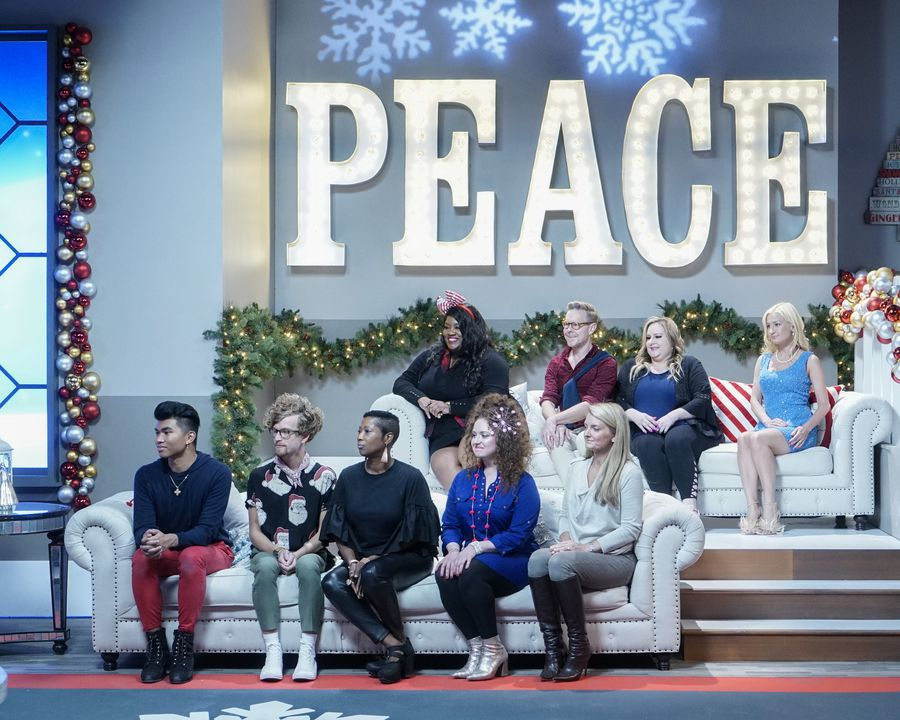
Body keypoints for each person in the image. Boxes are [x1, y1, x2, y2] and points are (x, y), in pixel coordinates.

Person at [320, 410, 440, 684]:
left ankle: (396, 657)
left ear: (387, 438)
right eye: (358, 431)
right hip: (363, 561)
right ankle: (396, 646)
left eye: (367, 431)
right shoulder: (349, 477)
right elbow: (339, 529)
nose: (359, 437)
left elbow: (417, 536)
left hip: (409, 557)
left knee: (373, 573)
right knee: (332, 582)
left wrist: (371, 560)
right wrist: (352, 562)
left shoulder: (410, 478)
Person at [528, 403, 643, 682]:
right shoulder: (577, 467)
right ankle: (554, 649)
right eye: (586, 427)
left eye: (595, 428)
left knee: (561, 563)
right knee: (537, 560)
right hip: (577, 556)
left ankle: (579, 649)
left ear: (614, 435)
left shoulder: (629, 472)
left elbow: (631, 529)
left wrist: (586, 547)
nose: (586, 433)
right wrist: (567, 541)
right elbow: (565, 516)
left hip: (615, 560)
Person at [435, 393, 540, 681]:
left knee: (471, 572)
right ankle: (477, 649)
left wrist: (475, 549)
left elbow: (518, 535)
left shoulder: (522, 482)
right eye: (474, 434)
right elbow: (450, 524)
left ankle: (494, 650)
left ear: (503, 439)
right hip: (473, 557)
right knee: (444, 572)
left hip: (514, 559)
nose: (476, 441)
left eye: (485, 435)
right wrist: (453, 551)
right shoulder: (463, 479)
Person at [132, 401, 235, 684]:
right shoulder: (146, 475)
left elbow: (207, 530)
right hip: (168, 550)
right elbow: (141, 525)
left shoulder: (217, 473)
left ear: (189, 437)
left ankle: (183, 646)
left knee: (191, 556)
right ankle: (156, 647)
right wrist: (148, 538)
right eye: (157, 432)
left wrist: (172, 539)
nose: (159, 439)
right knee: (141, 558)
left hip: (212, 548)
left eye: (167, 432)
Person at [246, 394, 337, 682]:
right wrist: (277, 551)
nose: (277, 437)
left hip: (310, 550)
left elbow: (324, 533)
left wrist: (298, 554)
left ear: (305, 435)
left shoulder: (324, 476)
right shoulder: (259, 475)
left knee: (309, 566)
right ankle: (272, 650)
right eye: (275, 430)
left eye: (286, 431)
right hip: (269, 549)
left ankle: (307, 650)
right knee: (264, 567)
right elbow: (254, 531)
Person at [393, 290, 510, 490]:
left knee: (470, 452)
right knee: (441, 463)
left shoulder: (491, 360)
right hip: (443, 433)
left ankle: (489, 503)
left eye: (457, 327)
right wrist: (421, 399)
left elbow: (494, 399)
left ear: (471, 330)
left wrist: (449, 407)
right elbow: (402, 382)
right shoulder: (432, 356)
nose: (450, 332)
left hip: (477, 425)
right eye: (446, 327)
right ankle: (468, 506)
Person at [737, 302, 830, 535]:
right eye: (768, 326)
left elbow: (824, 405)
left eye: (777, 324)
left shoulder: (809, 360)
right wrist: (767, 421)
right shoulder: (763, 360)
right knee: (744, 438)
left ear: (792, 326)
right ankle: (752, 509)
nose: (771, 330)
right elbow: (754, 399)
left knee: (758, 439)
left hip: (797, 428)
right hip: (768, 426)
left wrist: (807, 428)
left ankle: (771, 511)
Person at [616, 316, 722, 512]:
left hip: (685, 428)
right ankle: (663, 507)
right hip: (644, 432)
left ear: (672, 340)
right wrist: (633, 414)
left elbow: (702, 397)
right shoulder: (632, 367)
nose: (651, 342)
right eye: (648, 337)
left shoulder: (689, 364)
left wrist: (673, 416)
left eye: (658, 336)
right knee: (647, 444)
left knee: (675, 438)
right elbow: (616, 399)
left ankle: (689, 506)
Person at [540, 301, 617, 481]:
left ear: (591, 328)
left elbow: (590, 405)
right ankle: (576, 493)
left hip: (593, 426)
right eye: (566, 324)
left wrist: (555, 419)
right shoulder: (556, 363)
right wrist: (557, 423)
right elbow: (548, 399)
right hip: (564, 428)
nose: (568, 330)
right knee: (555, 443)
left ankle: (590, 490)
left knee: (586, 442)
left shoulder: (606, 363)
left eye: (575, 325)